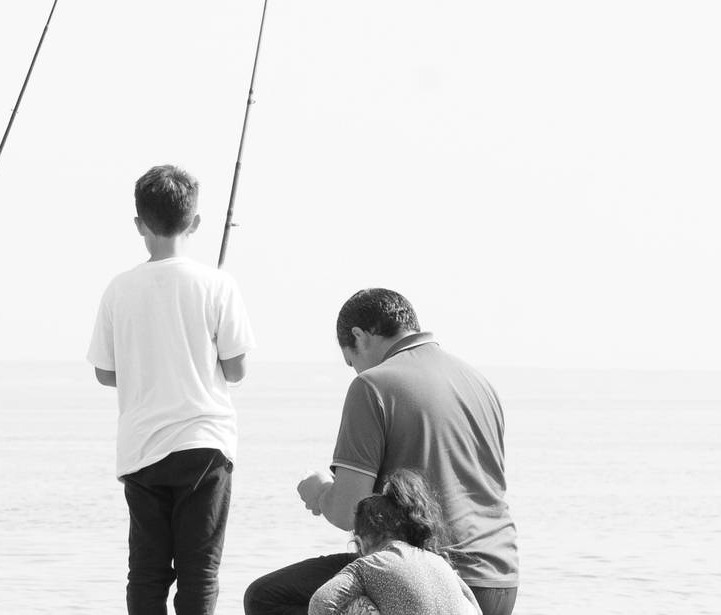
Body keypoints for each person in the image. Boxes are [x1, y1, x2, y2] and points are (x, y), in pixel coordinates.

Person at [244, 289, 518, 615]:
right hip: (499, 579)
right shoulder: (478, 382)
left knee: (265, 598)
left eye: (351, 361)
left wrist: (320, 493)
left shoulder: (372, 385)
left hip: (427, 579)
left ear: (359, 336)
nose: (355, 371)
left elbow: (349, 510)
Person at [87, 164, 255, 615]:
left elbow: (105, 372)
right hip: (205, 444)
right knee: (199, 570)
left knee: (147, 571)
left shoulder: (118, 288)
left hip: (142, 449)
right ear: (196, 222)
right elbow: (236, 369)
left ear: (139, 225)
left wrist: (147, 368)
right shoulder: (218, 284)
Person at [308, 470, 482, 615]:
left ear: (360, 544)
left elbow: (320, 601)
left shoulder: (367, 566)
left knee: (356, 603)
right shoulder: (439, 562)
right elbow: (475, 607)